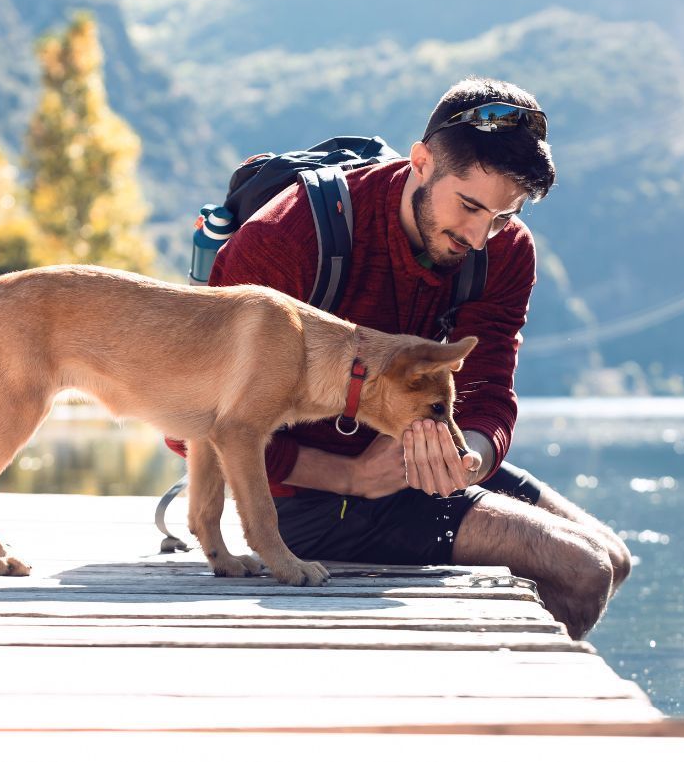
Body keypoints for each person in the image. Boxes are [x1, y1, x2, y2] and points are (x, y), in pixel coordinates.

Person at [206, 77, 630, 637]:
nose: (481, 237)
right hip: (304, 499)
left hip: (414, 475)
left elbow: (490, 392)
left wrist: (470, 459)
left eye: (503, 216)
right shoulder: (290, 236)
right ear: (423, 161)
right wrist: (352, 475)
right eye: (471, 207)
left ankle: (495, 697)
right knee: (580, 570)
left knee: (613, 560)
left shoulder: (504, 251)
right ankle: (497, 710)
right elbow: (194, 421)